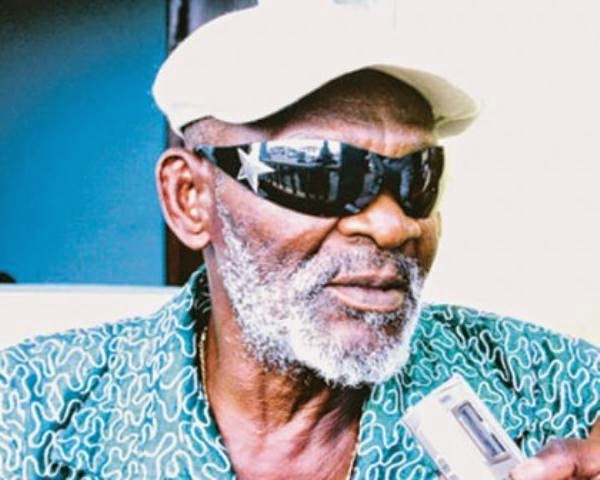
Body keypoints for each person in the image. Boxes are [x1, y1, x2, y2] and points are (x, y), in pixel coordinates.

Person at [1, 3, 598, 480]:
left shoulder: (536, 383)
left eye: (416, 177)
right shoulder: (28, 409)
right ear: (190, 198)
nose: (392, 226)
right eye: (320, 173)